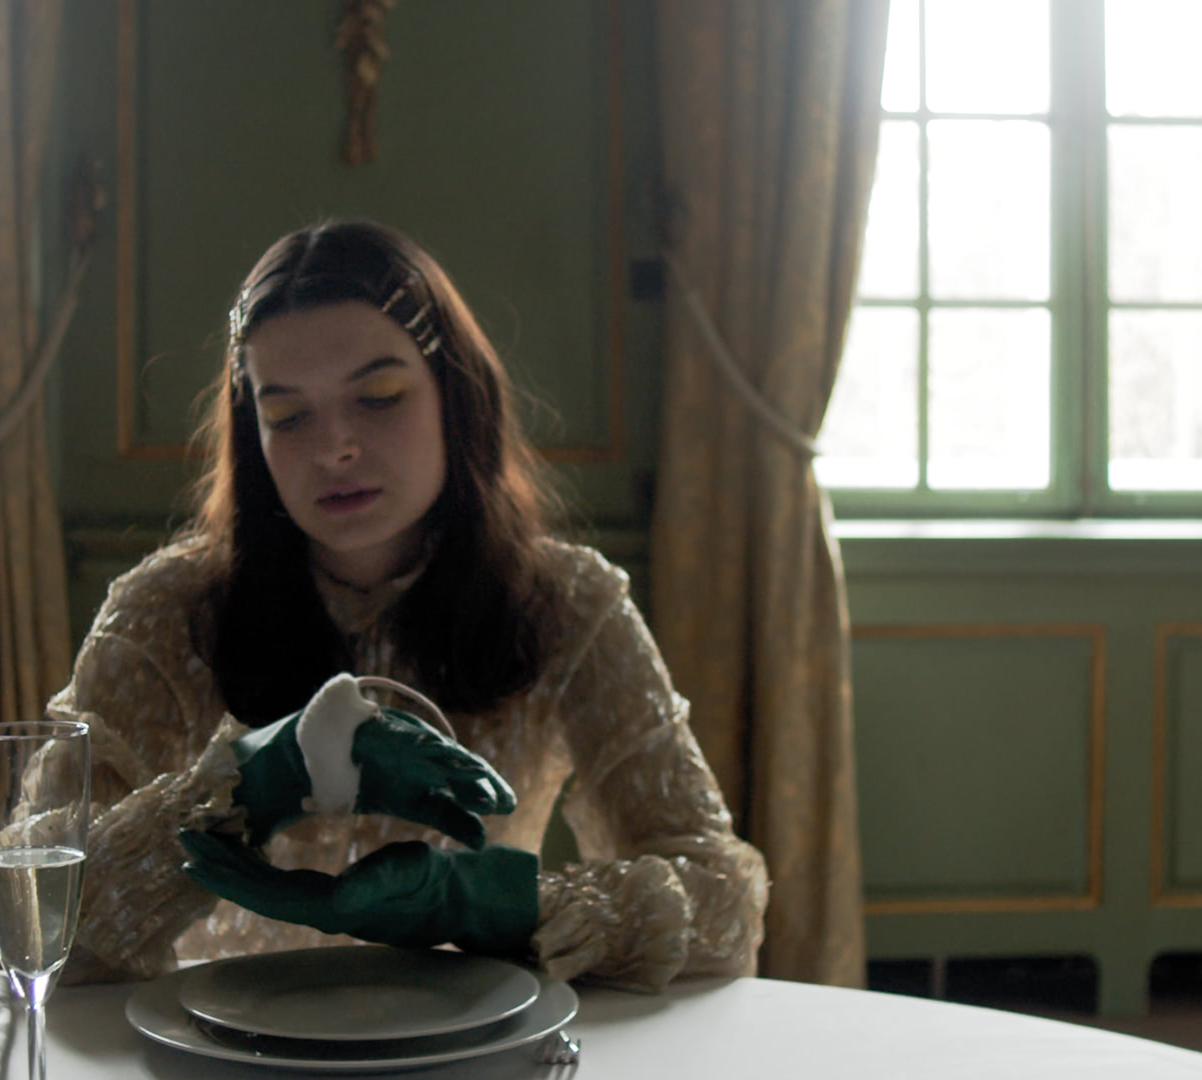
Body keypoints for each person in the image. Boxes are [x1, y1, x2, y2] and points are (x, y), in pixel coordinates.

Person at [44, 219, 768, 992]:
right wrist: (245, 788)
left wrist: (493, 905)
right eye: (287, 415)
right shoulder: (168, 610)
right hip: (219, 1054)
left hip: (476, 1050)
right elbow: (40, 910)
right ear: (251, 432)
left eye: (380, 396)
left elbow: (725, 902)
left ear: (456, 395)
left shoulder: (567, 605)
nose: (336, 448)